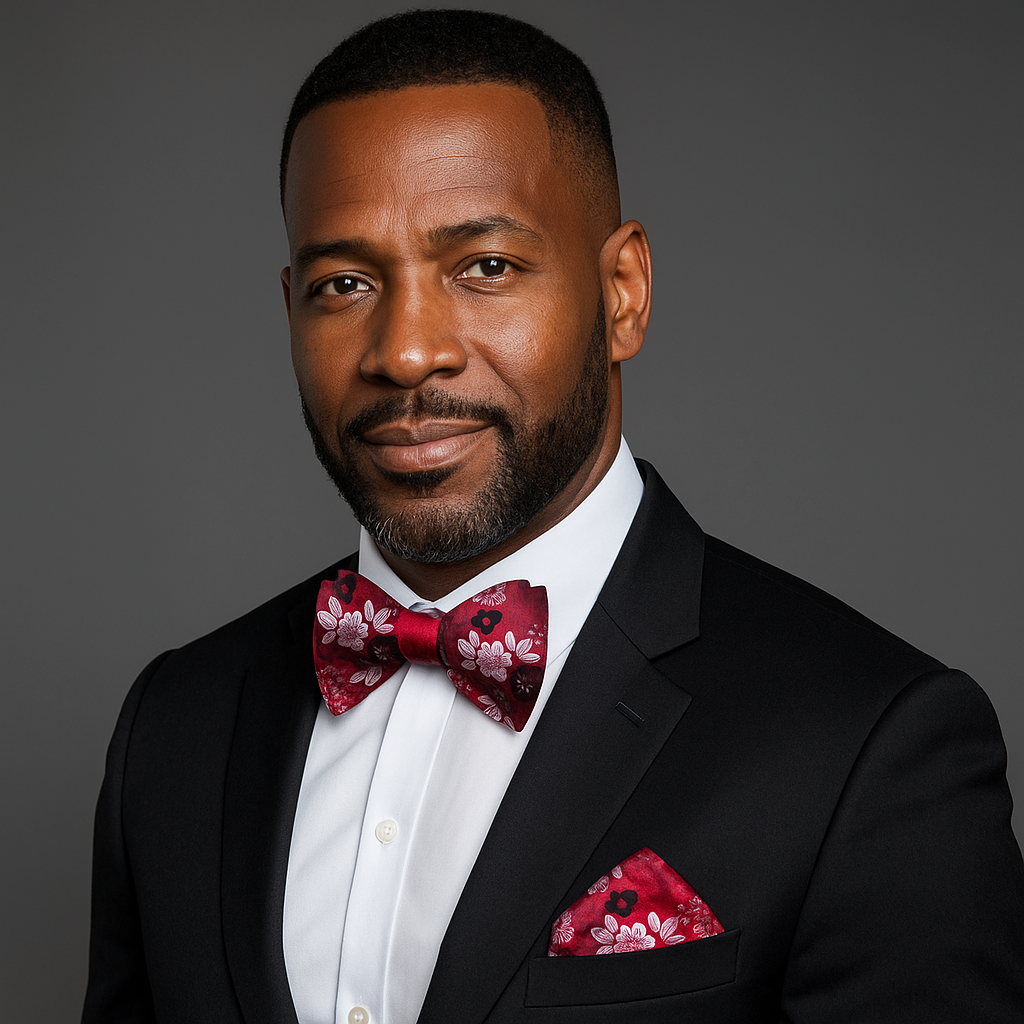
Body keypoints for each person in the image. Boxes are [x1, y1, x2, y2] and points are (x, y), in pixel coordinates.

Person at [82, 10, 1024, 1024]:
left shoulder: (866, 747)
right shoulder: (172, 728)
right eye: (344, 283)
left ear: (622, 294)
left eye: (483, 267)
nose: (405, 351)